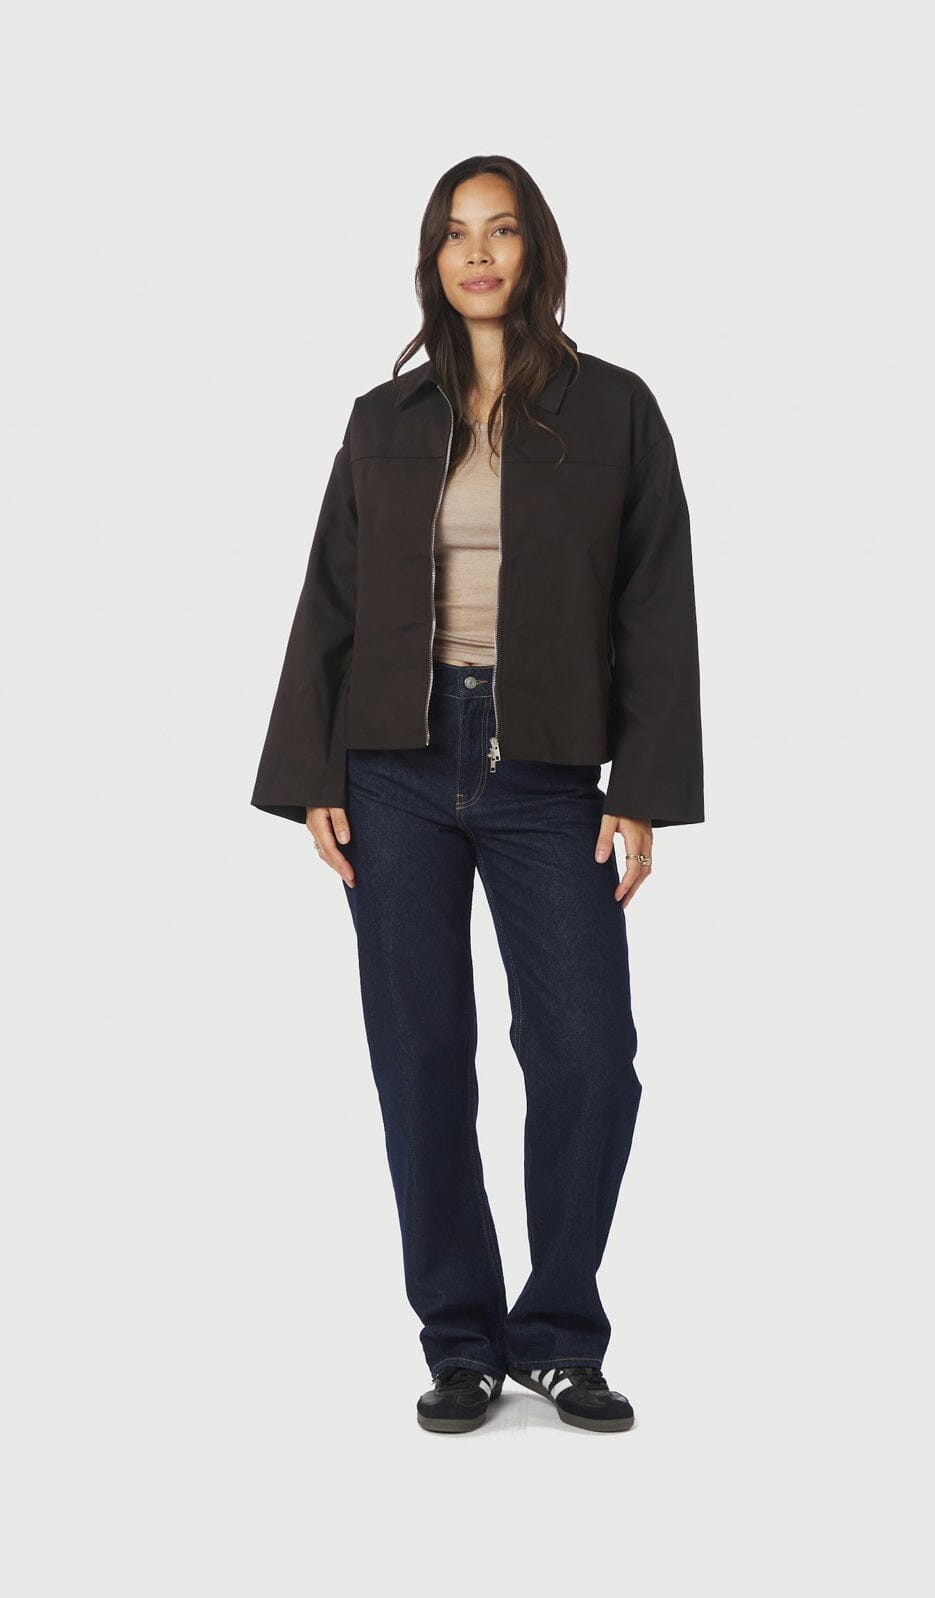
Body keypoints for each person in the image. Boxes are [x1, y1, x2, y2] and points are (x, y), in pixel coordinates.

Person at [250, 155, 704, 1434]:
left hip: (548, 770)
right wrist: (312, 774)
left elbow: (655, 599)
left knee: (588, 1059)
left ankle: (556, 1332)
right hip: (392, 768)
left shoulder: (616, 409)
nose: (480, 253)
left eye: (501, 230)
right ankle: (458, 1336)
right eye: (458, 234)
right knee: (420, 1058)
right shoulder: (382, 418)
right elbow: (330, 597)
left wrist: (642, 786)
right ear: (433, 259)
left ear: (534, 249)